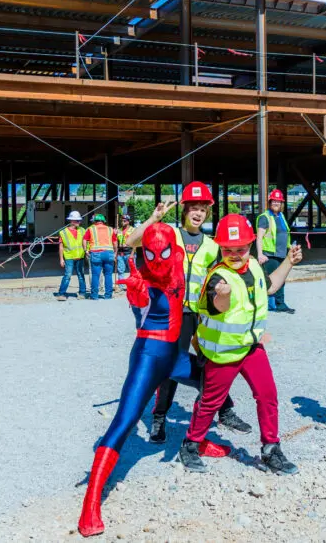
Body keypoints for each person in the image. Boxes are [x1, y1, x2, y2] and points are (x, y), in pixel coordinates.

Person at [77, 223, 231, 537]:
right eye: (151, 253)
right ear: (144, 253)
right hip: (148, 356)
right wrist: (135, 287)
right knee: (124, 421)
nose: (158, 259)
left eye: (163, 252)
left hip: (173, 355)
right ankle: (91, 501)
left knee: (213, 382)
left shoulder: (177, 260)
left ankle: (197, 440)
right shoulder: (142, 278)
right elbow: (138, 279)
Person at [125, 182, 252, 443]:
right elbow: (131, 241)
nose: (198, 213)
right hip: (176, 314)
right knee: (171, 365)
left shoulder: (211, 244)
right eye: (194, 208)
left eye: (203, 209)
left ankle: (224, 411)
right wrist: (153, 218)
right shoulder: (169, 233)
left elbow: (225, 273)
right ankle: (159, 417)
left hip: (203, 314)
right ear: (184, 210)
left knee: (215, 364)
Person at [177, 213, 303, 475]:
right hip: (223, 352)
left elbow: (269, 287)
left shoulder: (255, 266)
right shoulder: (217, 277)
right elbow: (218, 304)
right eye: (228, 250)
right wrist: (222, 295)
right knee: (211, 402)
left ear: (250, 245)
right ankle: (190, 444)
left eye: (241, 249)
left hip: (251, 347)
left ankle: (271, 449)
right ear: (220, 248)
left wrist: (289, 262)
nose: (235, 254)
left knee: (267, 395)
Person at [257, 188, 294, 313]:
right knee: (273, 280)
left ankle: (279, 303)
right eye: (274, 201)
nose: (276, 203)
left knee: (281, 279)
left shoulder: (281, 216)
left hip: (281, 253)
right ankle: (275, 304)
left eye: (278, 201)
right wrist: (260, 254)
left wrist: (290, 248)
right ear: (270, 202)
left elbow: (285, 234)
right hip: (270, 254)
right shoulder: (265, 217)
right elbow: (259, 237)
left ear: (282, 203)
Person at [55, 210, 87, 301]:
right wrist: (61, 259)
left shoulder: (82, 230)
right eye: (78, 220)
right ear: (72, 221)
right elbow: (61, 247)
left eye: (79, 220)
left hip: (80, 256)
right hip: (69, 257)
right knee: (67, 275)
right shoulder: (63, 232)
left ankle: (82, 293)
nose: (79, 222)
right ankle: (61, 294)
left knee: (81, 275)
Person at [85, 213, 116, 300]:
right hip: (109, 253)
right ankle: (108, 295)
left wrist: (86, 250)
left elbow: (84, 240)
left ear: (95, 221)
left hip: (96, 253)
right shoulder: (110, 229)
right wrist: (115, 252)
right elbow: (115, 242)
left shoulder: (90, 229)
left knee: (95, 275)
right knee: (108, 275)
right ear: (103, 221)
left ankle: (94, 296)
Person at [114, 214, 134, 292]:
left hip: (129, 252)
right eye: (122, 220)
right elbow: (115, 241)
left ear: (128, 222)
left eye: (124, 220)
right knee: (120, 270)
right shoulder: (119, 230)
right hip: (120, 252)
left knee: (132, 270)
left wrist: (133, 252)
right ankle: (121, 286)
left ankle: (132, 286)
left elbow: (136, 242)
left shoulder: (133, 230)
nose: (122, 222)